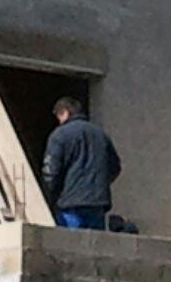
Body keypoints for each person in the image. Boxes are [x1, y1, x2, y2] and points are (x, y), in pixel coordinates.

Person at [41, 96, 120, 230]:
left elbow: (51, 172)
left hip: (70, 205)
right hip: (97, 204)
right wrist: (99, 184)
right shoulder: (100, 134)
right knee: (95, 242)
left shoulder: (60, 135)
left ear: (65, 113)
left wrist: (48, 197)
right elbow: (115, 167)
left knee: (70, 241)